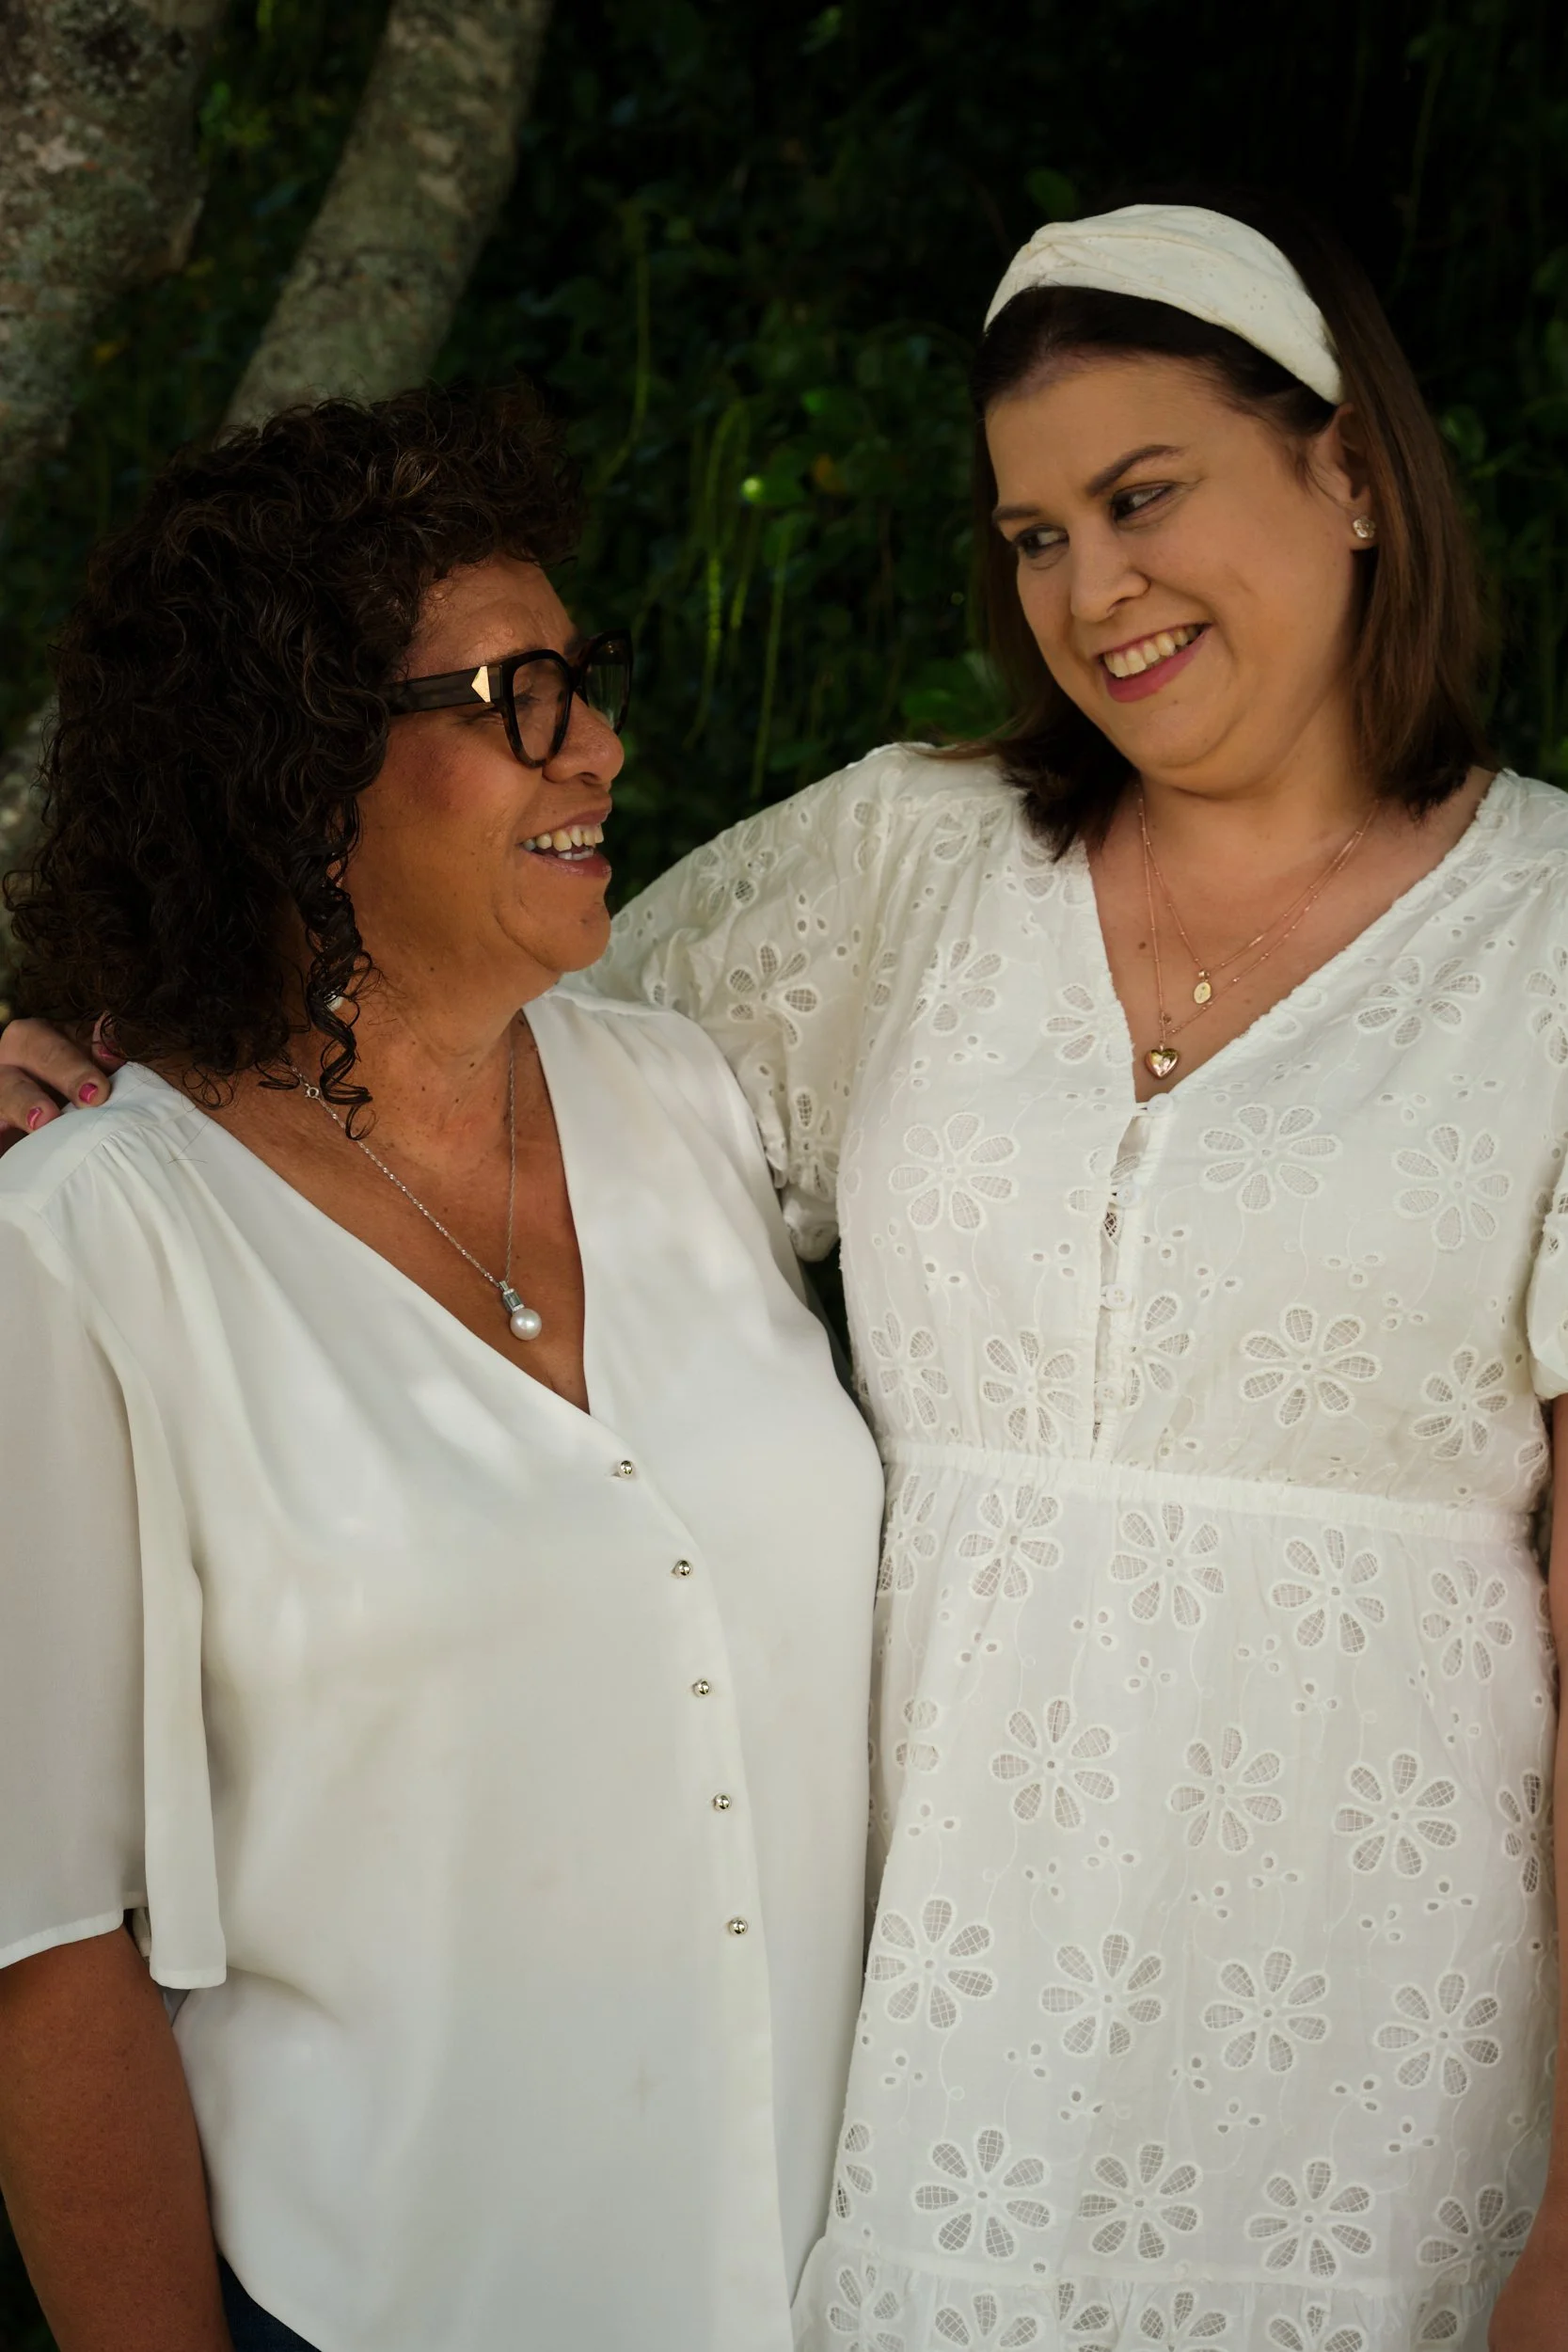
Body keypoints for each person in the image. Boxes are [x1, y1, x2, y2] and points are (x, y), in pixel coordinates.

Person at [7, 193, 1567, 2350]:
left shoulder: (1548, 944)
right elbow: (409, 1016)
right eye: (1028, 535)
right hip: (929, 2133)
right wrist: (100, 1061)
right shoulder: (909, 865)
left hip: (1386, 2090)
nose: (1089, 590)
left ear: (1354, 474)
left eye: (1137, 497)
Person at [0, 383, 886, 2352]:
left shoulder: (682, 1100)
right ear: (295, 771)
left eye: (588, 678)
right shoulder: (91, 1244)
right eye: (516, 697)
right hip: (382, 2296)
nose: (602, 745)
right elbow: (45, 1955)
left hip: (856, 2284)